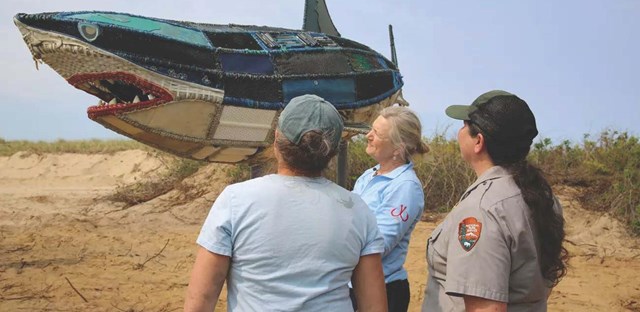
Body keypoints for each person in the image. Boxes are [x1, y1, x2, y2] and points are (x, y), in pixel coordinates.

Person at [184, 94, 388, 312]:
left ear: (276, 139)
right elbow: (374, 307)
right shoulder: (357, 209)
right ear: (333, 153)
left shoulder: (236, 200)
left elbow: (201, 301)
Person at [421, 90, 569, 312]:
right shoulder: (542, 197)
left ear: (478, 141)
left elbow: (486, 307)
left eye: (464, 125)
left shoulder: (482, 209)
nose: (459, 132)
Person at [351, 106, 429, 312]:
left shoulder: (405, 187)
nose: (368, 135)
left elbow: (379, 244)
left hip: (384, 290)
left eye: (376, 133)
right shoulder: (369, 175)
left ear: (398, 148)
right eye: (371, 129)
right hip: (355, 286)